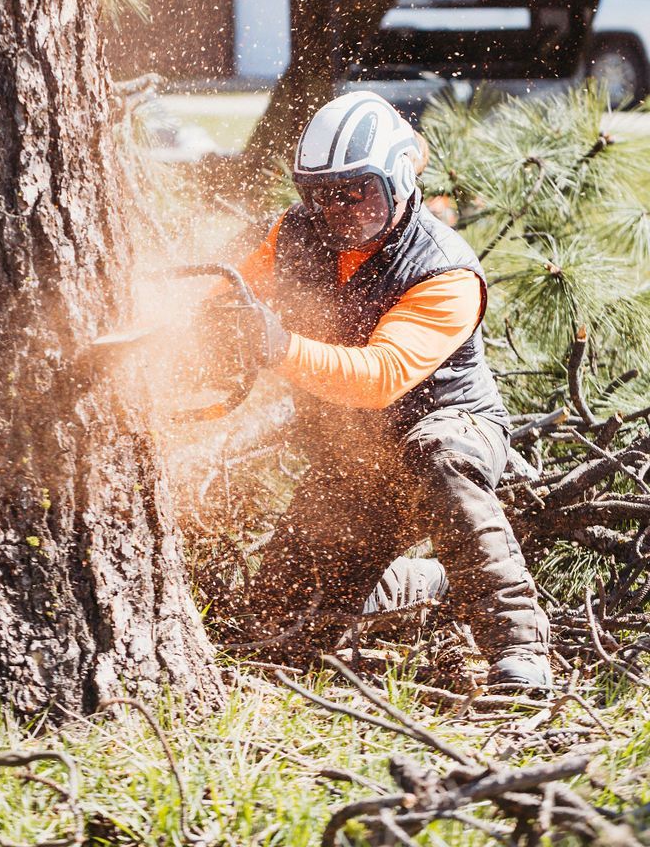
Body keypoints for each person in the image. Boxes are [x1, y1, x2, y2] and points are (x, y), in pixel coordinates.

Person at [227, 88, 552, 694]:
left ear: (401, 181)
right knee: (278, 622)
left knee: (437, 454)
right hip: (354, 463)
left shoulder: (445, 272)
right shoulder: (295, 235)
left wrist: (278, 348)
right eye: (322, 196)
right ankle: (429, 585)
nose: (340, 211)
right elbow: (230, 298)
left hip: (446, 428)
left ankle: (520, 648)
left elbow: (380, 377)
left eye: (360, 194)